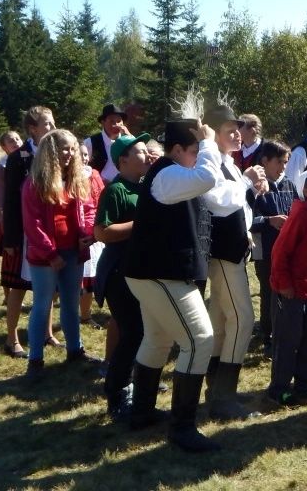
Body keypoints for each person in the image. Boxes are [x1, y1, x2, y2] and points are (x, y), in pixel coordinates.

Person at [123, 117, 220, 452]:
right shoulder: (167, 174)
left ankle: (142, 413)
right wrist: (208, 141)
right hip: (157, 274)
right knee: (200, 340)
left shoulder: (174, 174)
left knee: (158, 338)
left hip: (153, 273)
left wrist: (204, 142)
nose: (199, 155)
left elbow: (209, 182)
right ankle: (182, 428)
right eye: (194, 150)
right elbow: (207, 175)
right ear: (178, 150)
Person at [202, 104, 267, 421]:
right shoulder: (211, 159)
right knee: (242, 320)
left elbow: (236, 204)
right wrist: (245, 182)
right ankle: (223, 396)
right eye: (230, 130)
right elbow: (217, 200)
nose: (238, 134)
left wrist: (250, 190)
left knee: (222, 322)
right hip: (223, 252)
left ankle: (216, 391)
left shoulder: (226, 161)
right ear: (213, 133)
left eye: (238, 129)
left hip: (234, 248)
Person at [22, 129, 100, 381]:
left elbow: (88, 209)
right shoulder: (35, 183)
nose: (69, 154)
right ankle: (35, 360)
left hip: (73, 251)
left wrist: (87, 232)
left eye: (72, 149)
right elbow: (33, 223)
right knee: (43, 304)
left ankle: (74, 349)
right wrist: (50, 253)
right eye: (64, 148)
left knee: (70, 301)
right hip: (46, 255)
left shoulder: (78, 179)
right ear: (50, 151)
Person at [93, 131, 152, 418]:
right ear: (123, 160)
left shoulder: (144, 185)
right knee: (132, 334)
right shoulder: (115, 191)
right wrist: (140, 224)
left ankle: (136, 382)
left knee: (144, 333)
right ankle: (117, 394)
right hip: (118, 273)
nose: (147, 155)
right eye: (141, 152)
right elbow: (101, 232)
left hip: (140, 272)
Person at [267, 163, 307, 406]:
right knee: (288, 340)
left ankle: (305, 382)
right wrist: (284, 284)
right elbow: (280, 253)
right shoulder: (301, 217)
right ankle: (279, 386)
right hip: (291, 291)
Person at [2, 106, 59, 357]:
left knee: (48, 285)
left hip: (52, 229)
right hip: (26, 232)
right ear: (32, 129)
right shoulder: (19, 158)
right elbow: (11, 202)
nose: (52, 128)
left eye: (53, 123)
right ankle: (12, 337)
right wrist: (12, 239)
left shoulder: (58, 152)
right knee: (20, 286)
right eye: (47, 124)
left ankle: (47, 333)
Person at [248, 140, 297, 356]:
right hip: (265, 249)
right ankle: (267, 335)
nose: (283, 167)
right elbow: (246, 220)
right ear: (265, 161)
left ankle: (286, 330)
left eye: (286, 162)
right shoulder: (252, 187)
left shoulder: (289, 184)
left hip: (288, 250)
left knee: (287, 290)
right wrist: (269, 220)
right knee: (269, 292)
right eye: (279, 162)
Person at [0, 131, 24, 309]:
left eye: (18, 138)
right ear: (4, 147)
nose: (16, 142)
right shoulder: (1, 167)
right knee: (9, 257)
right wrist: (4, 224)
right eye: (11, 141)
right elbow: (0, 200)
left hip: (23, 216)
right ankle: (8, 295)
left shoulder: (27, 158)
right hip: (7, 217)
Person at [79, 143, 106, 328]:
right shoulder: (68, 177)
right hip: (78, 233)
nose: (83, 158)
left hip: (94, 231)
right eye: (80, 154)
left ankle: (86, 315)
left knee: (90, 278)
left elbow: (101, 200)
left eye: (85, 154)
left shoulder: (94, 174)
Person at [85, 103, 131, 182]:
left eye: (119, 121)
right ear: (103, 122)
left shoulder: (128, 141)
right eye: (111, 121)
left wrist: (129, 136)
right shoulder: (90, 142)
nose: (116, 125)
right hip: (98, 189)